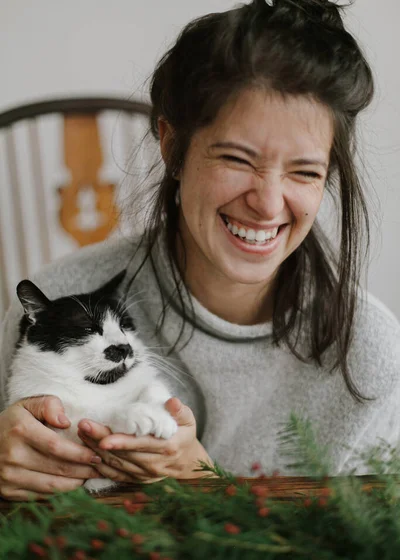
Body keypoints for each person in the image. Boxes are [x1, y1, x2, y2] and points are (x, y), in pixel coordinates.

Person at [0, 0, 399, 501]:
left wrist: (203, 484)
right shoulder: (55, 306)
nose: (268, 203)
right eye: (237, 157)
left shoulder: (372, 357)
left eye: (305, 171)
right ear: (171, 145)